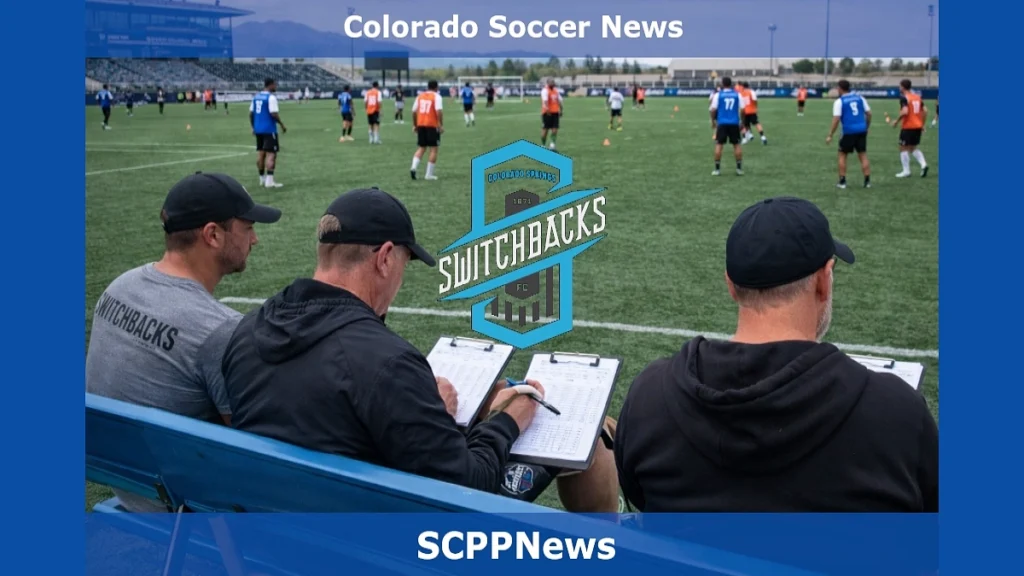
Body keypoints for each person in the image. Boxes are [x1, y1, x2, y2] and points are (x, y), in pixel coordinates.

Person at [220, 188, 620, 512]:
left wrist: (426, 413)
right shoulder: (385, 362)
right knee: (592, 434)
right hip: (381, 545)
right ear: (385, 258)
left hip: (277, 533)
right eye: (406, 264)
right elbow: (469, 487)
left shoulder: (247, 332)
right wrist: (508, 419)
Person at [615, 196, 938, 512]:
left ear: (730, 285)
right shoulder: (895, 412)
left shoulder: (649, 396)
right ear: (824, 280)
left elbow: (639, 497)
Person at [86, 172, 282, 511]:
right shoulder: (219, 331)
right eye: (247, 228)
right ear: (213, 235)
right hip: (183, 501)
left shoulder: (119, 286)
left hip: (127, 480)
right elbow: (258, 451)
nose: (255, 239)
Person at [826, 79, 872, 189]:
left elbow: (836, 119)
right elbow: (869, 113)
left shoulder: (839, 101)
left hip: (848, 131)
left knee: (842, 155)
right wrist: (866, 126)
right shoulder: (860, 98)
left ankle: (842, 182)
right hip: (861, 130)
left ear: (840, 89)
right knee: (863, 154)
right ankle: (867, 182)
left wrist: (830, 134)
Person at [250, 78, 286, 188]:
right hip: (269, 130)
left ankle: (262, 178)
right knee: (271, 154)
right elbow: (273, 113)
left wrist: (253, 127)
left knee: (261, 154)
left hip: (258, 130)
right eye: (275, 85)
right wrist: (282, 125)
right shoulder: (271, 98)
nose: (276, 87)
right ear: (270, 85)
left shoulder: (256, 97)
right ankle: (269, 181)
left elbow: (251, 113)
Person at [892, 79, 929, 178]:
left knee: (903, 147)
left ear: (903, 87)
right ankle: (924, 164)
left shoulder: (904, 98)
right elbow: (925, 111)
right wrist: (922, 124)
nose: (899, 88)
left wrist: (896, 121)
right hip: (917, 126)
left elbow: (905, 111)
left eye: (900, 86)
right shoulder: (917, 97)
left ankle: (906, 171)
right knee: (912, 148)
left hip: (908, 126)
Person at [709, 77, 743, 176]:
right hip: (734, 123)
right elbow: (743, 109)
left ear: (722, 84)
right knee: (736, 145)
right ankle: (739, 169)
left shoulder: (718, 95)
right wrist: (742, 122)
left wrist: (713, 121)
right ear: (731, 84)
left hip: (722, 123)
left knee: (719, 145)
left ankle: (717, 170)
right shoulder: (737, 95)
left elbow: (713, 109)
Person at [411, 79, 444, 180]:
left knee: (422, 148)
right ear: (436, 87)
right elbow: (439, 111)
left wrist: (415, 124)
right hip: (432, 125)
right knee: (433, 149)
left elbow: (413, 111)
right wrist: (440, 124)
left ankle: (413, 167)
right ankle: (428, 174)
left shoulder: (420, 96)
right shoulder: (436, 96)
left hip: (421, 124)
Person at [540, 79, 562, 150]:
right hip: (547, 113)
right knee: (545, 129)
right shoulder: (545, 90)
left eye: (553, 82)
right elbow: (545, 101)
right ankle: (543, 145)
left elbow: (559, 100)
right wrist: (547, 109)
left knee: (555, 128)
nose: (553, 83)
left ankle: (552, 144)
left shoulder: (556, 90)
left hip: (555, 112)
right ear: (548, 83)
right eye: (551, 82)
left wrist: (561, 109)